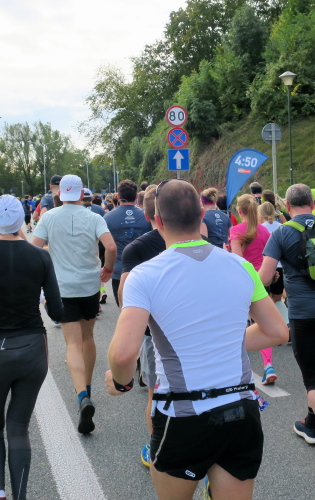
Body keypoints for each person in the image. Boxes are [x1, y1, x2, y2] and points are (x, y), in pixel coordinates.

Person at [105, 179, 288, 500]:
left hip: (183, 413)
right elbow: (277, 331)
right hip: (240, 408)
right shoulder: (241, 265)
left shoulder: (144, 275)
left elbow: (123, 355)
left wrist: (121, 383)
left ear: (157, 220)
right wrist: (223, 342)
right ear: (202, 217)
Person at [0, 195, 63, 500]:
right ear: (22, 221)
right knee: (18, 426)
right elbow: (57, 311)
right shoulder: (40, 256)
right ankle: (20, 495)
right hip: (33, 347)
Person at [258, 184, 315, 468]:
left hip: (303, 313)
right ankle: (310, 423)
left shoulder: (282, 232)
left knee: (312, 380)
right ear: (312, 202)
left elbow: (264, 278)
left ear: (286, 205)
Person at [32, 174, 117, 434]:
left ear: (59, 194)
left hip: (62, 288)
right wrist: (107, 269)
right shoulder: (94, 218)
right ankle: (87, 389)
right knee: (88, 338)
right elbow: (111, 247)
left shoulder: (48, 217)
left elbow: (34, 249)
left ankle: (81, 396)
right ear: (81, 194)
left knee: (72, 343)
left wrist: (50, 259)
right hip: (90, 286)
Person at [117, 185, 163, 467]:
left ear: (148, 216)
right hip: (192, 332)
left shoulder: (137, 248)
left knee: (155, 393)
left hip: (151, 333)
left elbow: (124, 296)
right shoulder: (202, 242)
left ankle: (155, 448)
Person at [230, 194, 275, 384]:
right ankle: (268, 365)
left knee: (238, 325)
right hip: (262, 280)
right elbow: (269, 257)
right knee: (263, 324)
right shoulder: (264, 231)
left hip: (243, 281)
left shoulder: (236, 231)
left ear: (239, 211)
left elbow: (238, 260)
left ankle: (237, 369)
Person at [104, 180, 152, 307]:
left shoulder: (107, 218)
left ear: (119, 196)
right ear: (136, 196)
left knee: (124, 309)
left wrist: (107, 267)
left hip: (119, 272)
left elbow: (105, 247)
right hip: (143, 272)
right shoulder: (147, 217)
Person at [259, 202, 289, 326]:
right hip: (281, 266)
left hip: (266, 266)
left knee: (266, 299)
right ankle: (285, 324)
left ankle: (273, 325)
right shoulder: (282, 227)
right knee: (277, 298)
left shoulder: (260, 228)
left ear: (260, 214)